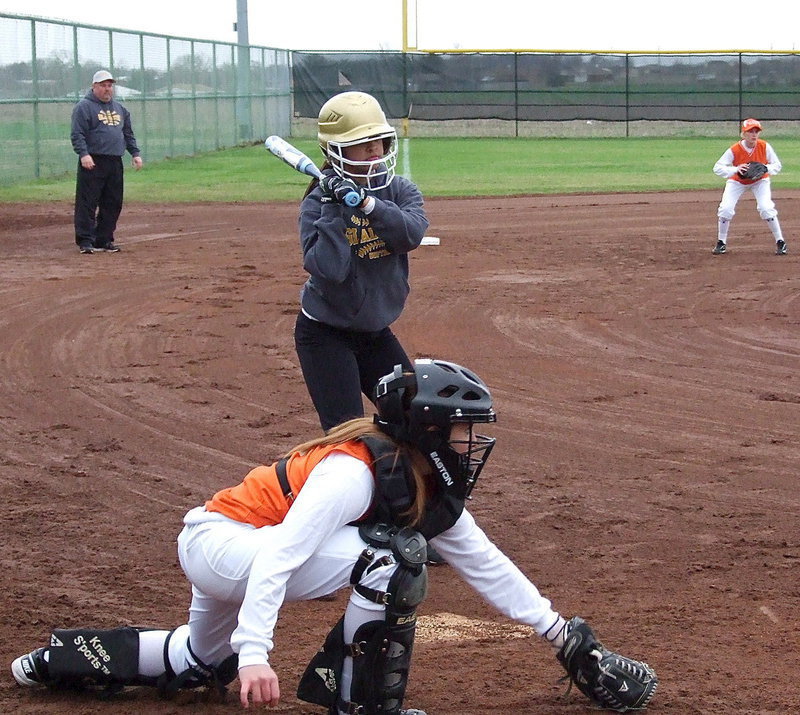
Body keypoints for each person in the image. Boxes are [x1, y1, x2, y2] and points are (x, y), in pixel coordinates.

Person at [11, 358, 658, 714]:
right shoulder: (354, 471)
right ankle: (362, 705)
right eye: (464, 430)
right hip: (224, 545)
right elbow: (283, 553)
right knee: (391, 559)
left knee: (197, 661)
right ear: (428, 432)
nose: (472, 443)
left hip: (236, 547)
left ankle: (61, 659)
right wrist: (256, 652)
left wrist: (562, 636)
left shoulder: (414, 479)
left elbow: (485, 562)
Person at [294, 90, 429, 433]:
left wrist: (368, 204)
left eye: (378, 140)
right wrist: (333, 209)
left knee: (419, 420)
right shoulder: (317, 204)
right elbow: (331, 270)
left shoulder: (400, 190)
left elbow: (410, 234)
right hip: (325, 334)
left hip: (374, 333)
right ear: (335, 151)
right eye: (361, 143)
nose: (374, 149)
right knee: (348, 435)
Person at [71, 69, 143, 254]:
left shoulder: (120, 109)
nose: (107, 89)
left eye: (109, 85)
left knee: (112, 202)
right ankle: (85, 241)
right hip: (93, 160)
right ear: (94, 86)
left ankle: (103, 239)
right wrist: (84, 154)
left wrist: (135, 153)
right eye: (103, 85)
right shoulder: (84, 107)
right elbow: (77, 134)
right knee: (88, 202)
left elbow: (127, 134)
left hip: (114, 161)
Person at [712, 118, 787, 256]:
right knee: (725, 209)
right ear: (744, 134)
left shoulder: (764, 146)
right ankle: (721, 242)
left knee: (766, 208)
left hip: (760, 181)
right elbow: (717, 167)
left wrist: (766, 168)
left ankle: (780, 241)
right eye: (750, 131)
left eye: (756, 131)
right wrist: (735, 169)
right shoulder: (735, 149)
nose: (754, 134)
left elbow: (777, 165)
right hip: (737, 181)